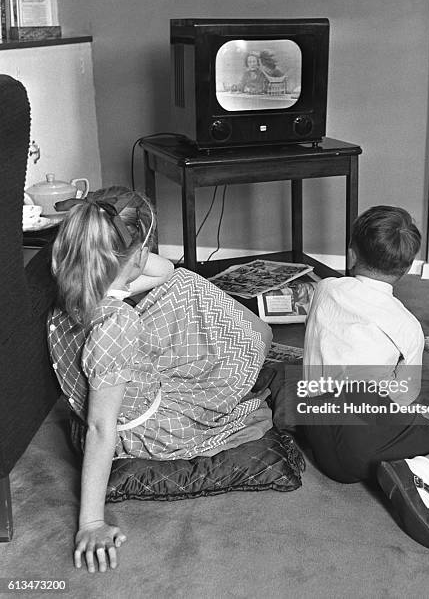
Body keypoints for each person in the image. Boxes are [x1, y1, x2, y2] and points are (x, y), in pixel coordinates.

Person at [48, 186, 273, 572]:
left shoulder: (77, 286)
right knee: (253, 335)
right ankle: (257, 342)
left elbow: (167, 272)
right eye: (145, 251)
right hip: (151, 425)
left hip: (124, 378)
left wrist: (139, 255)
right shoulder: (116, 325)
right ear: (136, 255)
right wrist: (91, 522)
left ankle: (247, 339)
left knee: (185, 281)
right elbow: (102, 428)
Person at [301, 205, 429, 550]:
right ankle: (420, 474)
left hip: (315, 428)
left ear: (351, 253)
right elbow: (405, 397)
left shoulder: (325, 289)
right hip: (362, 436)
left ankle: (412, 470)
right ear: (406, 268)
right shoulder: (406, 325)